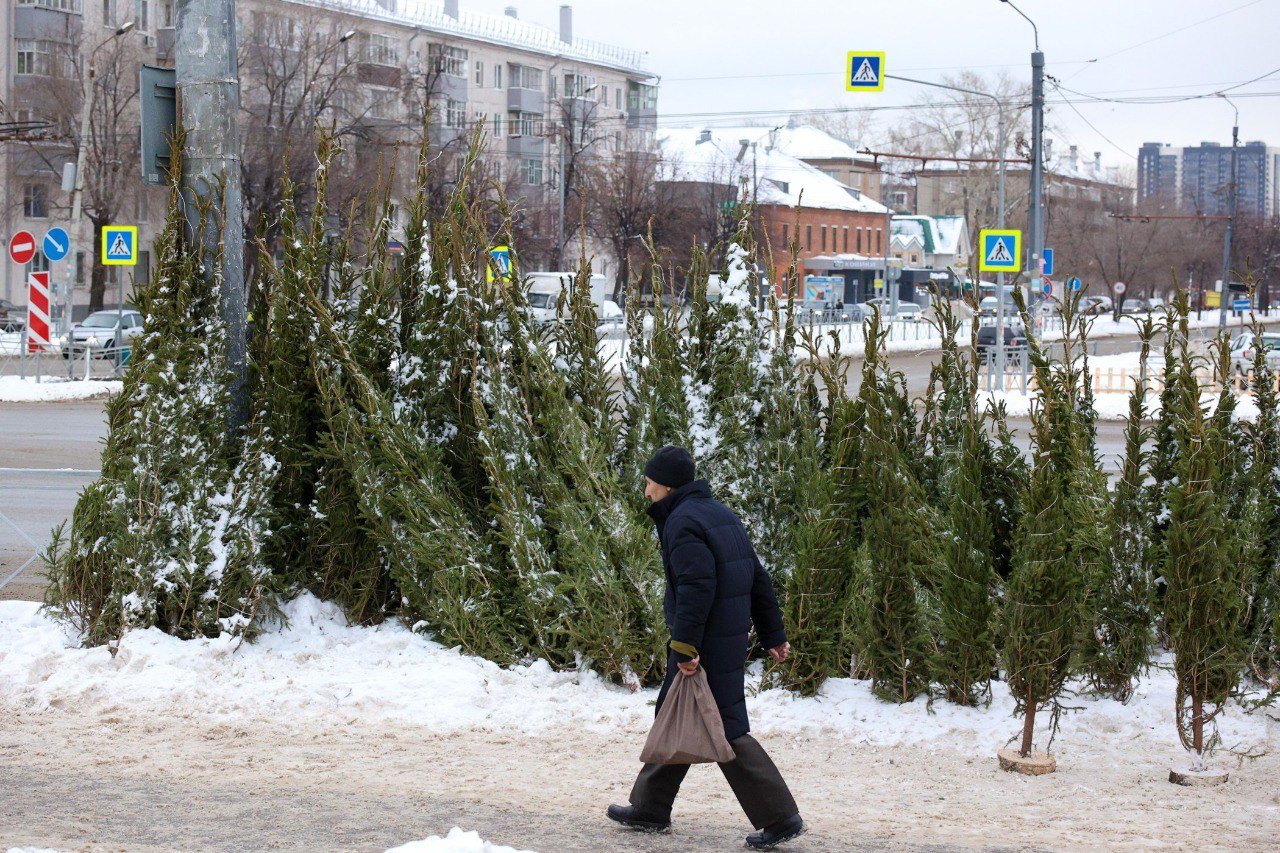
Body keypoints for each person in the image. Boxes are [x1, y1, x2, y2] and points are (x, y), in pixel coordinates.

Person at [607, 446, 805, 849]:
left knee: (724, 728)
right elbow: (757, 575)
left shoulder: (683, 522)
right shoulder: (720, 514)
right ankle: (650, 807)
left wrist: (685, 646)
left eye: (648, 484)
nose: (646, 492)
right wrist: (773, 634)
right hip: (725, 637)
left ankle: (780, 817)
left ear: (666, 485)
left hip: (706, 642)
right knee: (675, 712)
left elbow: (697, 588)